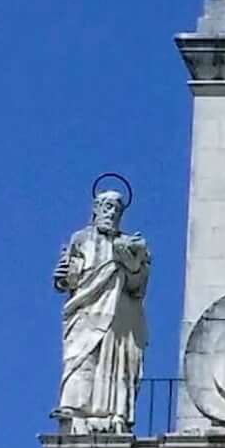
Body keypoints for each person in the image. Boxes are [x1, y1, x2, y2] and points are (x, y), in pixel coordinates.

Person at [54, 176, 151, 431]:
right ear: (95, 209)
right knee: (81, 356)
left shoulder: (130, 243)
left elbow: (137, 285)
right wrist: (63, 277)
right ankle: (75, 410)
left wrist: (133, 260)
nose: (111, 213)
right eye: (106, 207)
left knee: (116, 360)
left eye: (116, 209)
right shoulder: (81, 239)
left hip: (119, 315)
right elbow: (70, 277)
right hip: (86, 310)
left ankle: (112, 415)